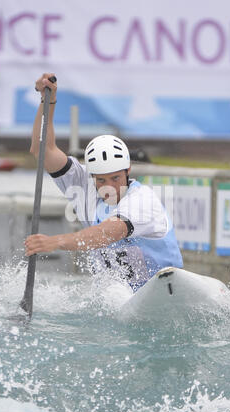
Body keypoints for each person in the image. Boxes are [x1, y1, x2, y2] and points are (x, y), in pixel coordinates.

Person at [25, 73, 183, 292]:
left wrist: (55, 242)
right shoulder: (82, 184)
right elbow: (43, 150)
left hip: (164, 290)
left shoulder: (143, 200)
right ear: (91, 177)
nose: (109, 185)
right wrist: (47, 101)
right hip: (118, 298)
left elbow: (108, 232)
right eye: (101, 180)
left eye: (116, 178)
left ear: (128, 170)